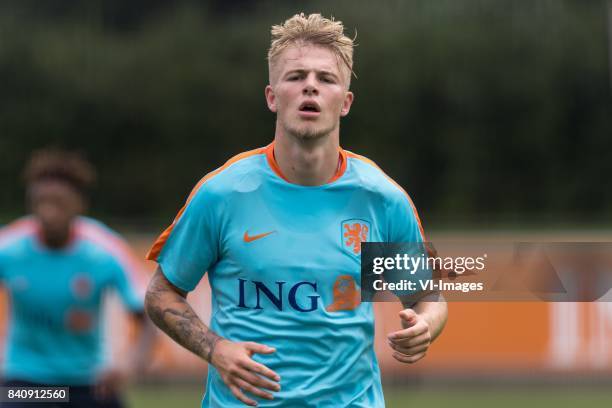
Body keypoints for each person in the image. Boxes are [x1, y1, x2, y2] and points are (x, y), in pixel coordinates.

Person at [145, 13, 448, 407]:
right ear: (272, 96)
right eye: (296, 76)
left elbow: (427, 297)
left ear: (345, 102)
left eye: (326, 79)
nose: (310, 87)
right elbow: (161, 294)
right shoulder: (223, 193)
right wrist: (216, 349)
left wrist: (425, 325)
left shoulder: (381, 198)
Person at [0, 149, 155, 408]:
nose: (48, 212)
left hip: (89, 383)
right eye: (41, 202)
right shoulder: (9, 247)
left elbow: (148, 316)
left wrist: (129, 364)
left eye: (57, 203)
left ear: (79, 204)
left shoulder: (105, 250)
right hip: (24, 380)